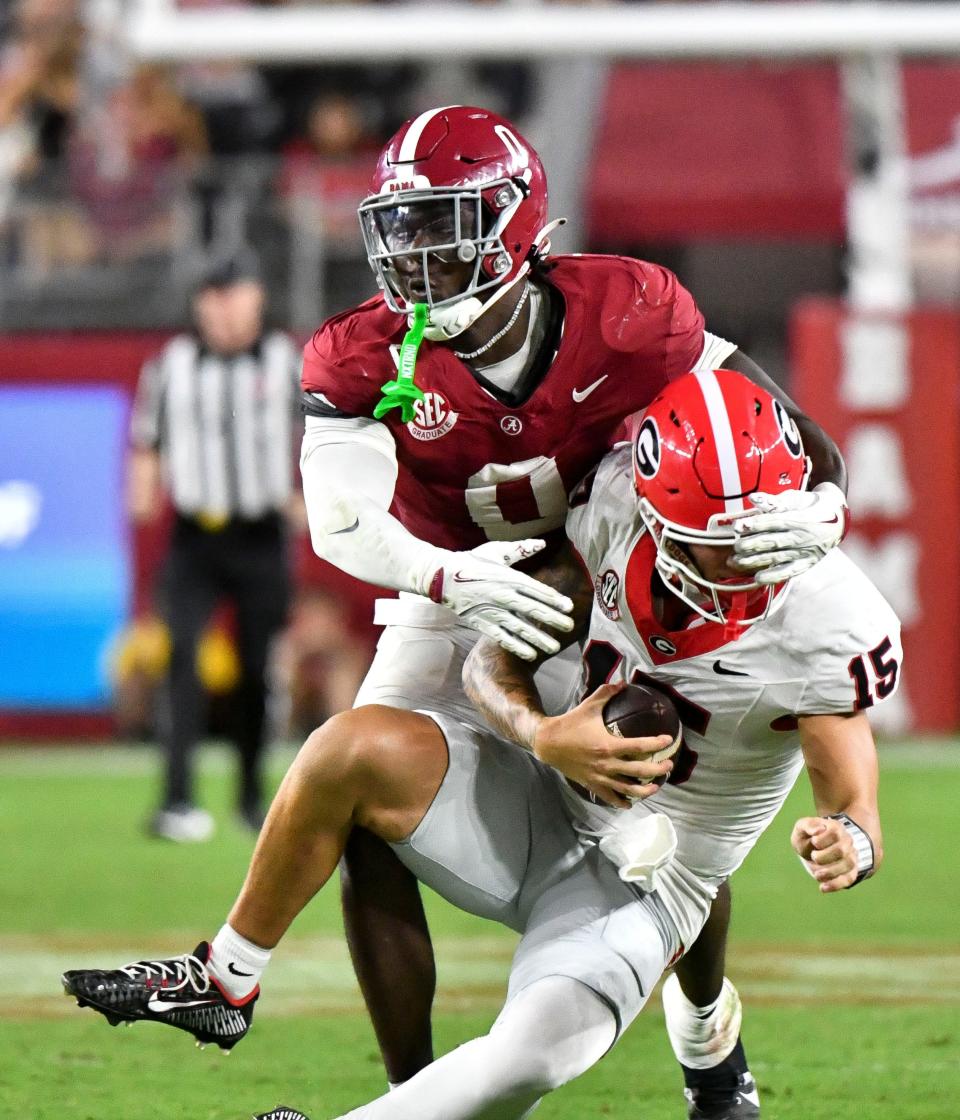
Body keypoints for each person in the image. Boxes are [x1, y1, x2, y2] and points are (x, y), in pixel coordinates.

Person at [67, 105, 850, 1117]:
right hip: (453, 579)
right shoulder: (366, 353)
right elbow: (341, 520)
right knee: (350, 781)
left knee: (668, 802)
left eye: (445, 222)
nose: (417, 253)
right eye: (402, 227)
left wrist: (823, 499)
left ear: (517, 223)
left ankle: (707, 1041)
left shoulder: (629, 310)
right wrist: (446, 578)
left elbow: (775, 424)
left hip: (606, 573)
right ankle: (376, 1069)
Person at [61, 371, 899, 1120]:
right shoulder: (612, 507)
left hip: (649, 884)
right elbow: (497, 652)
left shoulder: (828, 617)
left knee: (529, 1056)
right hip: (536, 797)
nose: (734, 558)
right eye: (709, 535)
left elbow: (849, 789)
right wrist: (544, 733)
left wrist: (850, 839)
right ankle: (228, 975)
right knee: (345, 750)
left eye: (754, 533)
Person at [128, 249, 303, 841]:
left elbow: (323, 437)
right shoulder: (170, 367)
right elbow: (147, 440)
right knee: (180, 660)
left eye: (235, 295)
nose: (224, 310)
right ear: (199, 304)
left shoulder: (287, 362)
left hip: (260, 533)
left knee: (257, 668)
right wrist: (143, 492)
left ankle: (253, 797)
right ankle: (176, 800)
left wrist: (311, 501)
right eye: (213, 297)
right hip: (193, 535)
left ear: (256, 298)